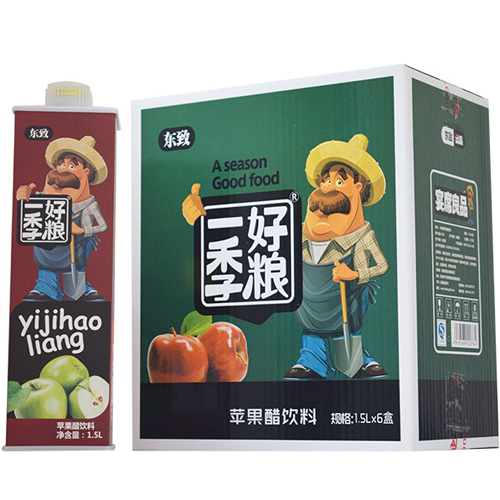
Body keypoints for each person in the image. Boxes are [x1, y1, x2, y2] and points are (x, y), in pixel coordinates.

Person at [182, 134, 389, 380]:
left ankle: (358, 359)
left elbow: (381, 266)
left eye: (339, 180)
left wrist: (354, 273)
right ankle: (312, 360)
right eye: (325, 180)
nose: (328, 187)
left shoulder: (362, 237)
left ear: (358, 187)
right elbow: (252, 239)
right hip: (310, 303)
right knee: (312, 330)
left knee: (349, 327)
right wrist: (205, 221)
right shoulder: (295, 230)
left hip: (346, 301)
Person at [16, 136, 108, 302]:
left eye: (72, 165)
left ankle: (80, 289)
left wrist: (81, 230)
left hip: (74, 250)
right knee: (46, 265)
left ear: (86, 171)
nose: (63, 170)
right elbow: (31, 210)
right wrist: (25, 197)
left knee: (75, 265)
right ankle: (46, 287)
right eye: (61, 164)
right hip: (48, 245)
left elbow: (102, 226)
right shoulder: (47, 194)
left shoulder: (88, 205)